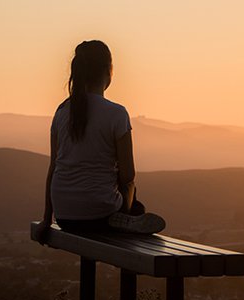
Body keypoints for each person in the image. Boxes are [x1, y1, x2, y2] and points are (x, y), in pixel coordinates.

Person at [35, 40, 165, 243]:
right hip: (101, 215)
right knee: (132, 191)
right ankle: (129, 217)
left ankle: (128, 216)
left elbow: (53, 169)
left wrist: (46, 219)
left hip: (64, 216)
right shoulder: (117, 114)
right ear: (108, 71)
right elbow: (128, 175)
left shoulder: (61, 112)